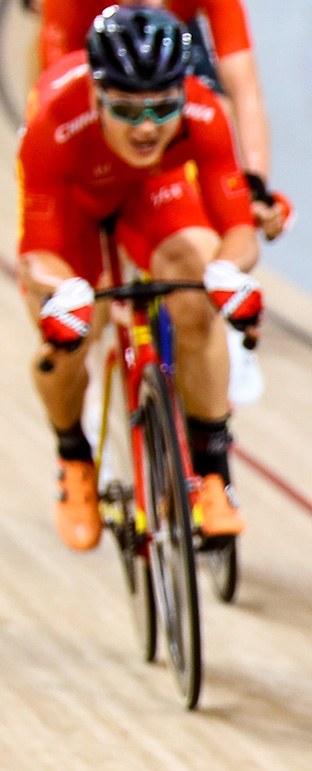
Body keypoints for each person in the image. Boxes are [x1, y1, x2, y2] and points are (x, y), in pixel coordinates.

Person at [19, 5, 262, 551]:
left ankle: (213, 472)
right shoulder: (56, 118)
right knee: (67, 339)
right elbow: (38, 251)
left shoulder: (202, 112)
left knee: (197, 288)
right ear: (96, 98)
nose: (148, 127)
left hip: (150, 195)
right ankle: (74, 458)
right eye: (127, 111)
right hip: (75, 207)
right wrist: (67, 294)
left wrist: (228, 273)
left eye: (161, 108)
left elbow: (238, 228)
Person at [37, 0, 287, 241]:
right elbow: (53, 95)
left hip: (167, 37)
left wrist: (255, 187)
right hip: (88, 40)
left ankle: (183, 197)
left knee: (215, 108)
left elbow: (245, 90)